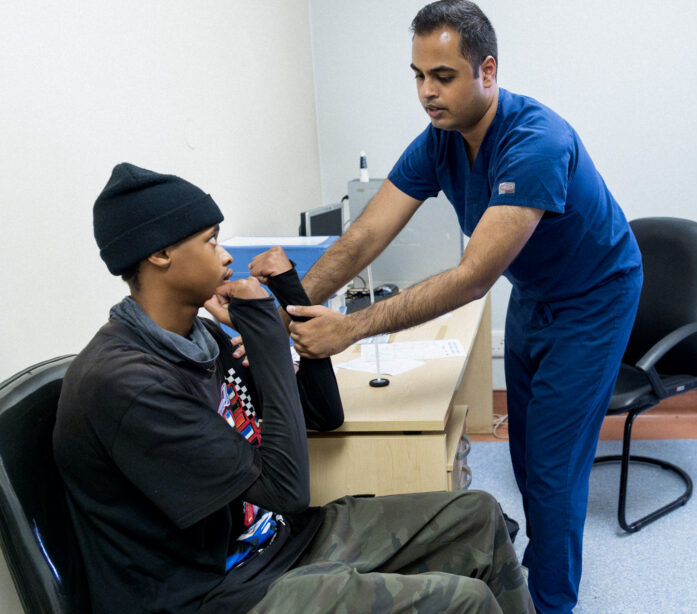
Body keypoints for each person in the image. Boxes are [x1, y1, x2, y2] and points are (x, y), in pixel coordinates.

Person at [272, 0, 641, 614]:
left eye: (442, 76)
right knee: (525, 451)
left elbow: (473, 278)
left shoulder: (536, 142)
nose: (426, 92)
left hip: (596, 299)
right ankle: (534, 565)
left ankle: (551, 603)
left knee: (553, 469)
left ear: (487, 71)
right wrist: (285, 312)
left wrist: (351, 330)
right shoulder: (440, 141)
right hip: (537, 292)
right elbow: (366, 236)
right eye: (418, 76)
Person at [54, 163, 534, 614]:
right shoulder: (128, 384)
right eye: (210, 241)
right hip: (218, 594)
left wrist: (290, 293)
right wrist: (264, 331)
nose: (225, 256)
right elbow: (286, 490)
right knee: (465, 602)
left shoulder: (197, 338)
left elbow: (325, 415)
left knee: (479, 517)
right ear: (159, 254)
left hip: (279, 544)